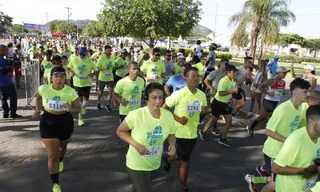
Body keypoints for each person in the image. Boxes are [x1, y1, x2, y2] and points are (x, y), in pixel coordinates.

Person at [245, 78, 311, 192]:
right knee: (275, 183)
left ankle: (254, 180)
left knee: (281, 178)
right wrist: (288, 141)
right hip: (274, 152)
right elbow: (268, 131)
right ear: (294, 92)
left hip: (287, 151)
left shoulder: (301, 107)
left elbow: (301, 126)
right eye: (305, 91)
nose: (308, 94)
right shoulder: (283, 110)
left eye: (309, 91)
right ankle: (256, 180)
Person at [116, 83, 176, 192]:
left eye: (160, 98)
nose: (158, 101)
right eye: (154, 98)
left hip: (154, 163)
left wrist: (172, 144)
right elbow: (120, 131)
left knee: (139, 187)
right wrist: (137, 145)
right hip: (137, 164)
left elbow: (171, 133)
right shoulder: (136, 115)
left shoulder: (168, 116)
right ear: (146, 98)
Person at [32, 66, 80, 192]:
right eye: (56, 76)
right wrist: (37, 110)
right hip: (48, 121)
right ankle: (56, 184)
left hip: (65, 122)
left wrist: (70, 108)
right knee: (52, 155)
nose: (59, 79)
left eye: (62, 76)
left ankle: (61, 160)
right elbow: (38, 97)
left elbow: (78, 109)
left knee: (62, 148)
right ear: (51, 78)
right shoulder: (44, 88)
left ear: (65, 78)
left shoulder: (70, 92)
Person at [163, 67, 208, 191]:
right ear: (186, 78)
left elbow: (203, 110)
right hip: (179, 133)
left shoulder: (202, 95)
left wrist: (205, 111)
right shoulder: (179, 93)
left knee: (185, 160)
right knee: (184, 159)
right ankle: (183, 185)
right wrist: (178, 119)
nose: (196, 79)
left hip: (192, 133)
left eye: (197, 76)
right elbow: (164, 108)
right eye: (192, 76)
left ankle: (168, 159)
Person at [271, 105, 320, 192]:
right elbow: (276, 168)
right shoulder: (296, 140)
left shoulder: (318, 137)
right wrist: (303, 171)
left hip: (308, 187)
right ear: (312, 122)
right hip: (289, 188)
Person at [198, 65, 238, 146]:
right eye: (234, 72)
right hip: (218, 103)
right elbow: (220, 93)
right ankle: (203, 131)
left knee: (229, 121)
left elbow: (228, 92)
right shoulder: (224, 81)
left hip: (225, 104)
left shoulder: (231, 80)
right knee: (213, 120)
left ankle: (223, 139)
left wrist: (231, 98)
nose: (235, 74)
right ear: (228, 72)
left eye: (236, 73)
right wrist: (232, 91)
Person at [247, 66, 290, 136]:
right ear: (278, 73)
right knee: (274, 116)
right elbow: (261, 86)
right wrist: (268, 93)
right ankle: (273, 133)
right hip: (268, 101)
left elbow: (280, 90)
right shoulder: (272, 80)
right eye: (284, 73)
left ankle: (251, 127)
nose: (285, 75)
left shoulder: (283, 82)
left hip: (275, 102)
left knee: (263, 117)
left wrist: (284, 92)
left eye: (286, 73)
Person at [67, 47, 98, 126]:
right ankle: (80, 119)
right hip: (77, 83)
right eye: (80, 54)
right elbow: (68, 68)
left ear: (86, 54)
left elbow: (96, 70)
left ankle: (82, 107)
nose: (81, 55)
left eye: (83, 54)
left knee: (86, 101)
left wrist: (93, 74)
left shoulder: (89, 61)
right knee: (80, 102)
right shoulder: (74, 60)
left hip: (87, 83)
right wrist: (70, 72)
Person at [0, 45, 22, 118]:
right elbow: (2, 71)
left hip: (2, 82)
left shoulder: (3, 59)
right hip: (5, 82)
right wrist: (11, 68)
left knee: (3, 97)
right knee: (13, 97)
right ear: (1, 51)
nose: (7, 51)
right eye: (6, 50)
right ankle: (12, 112)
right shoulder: (1, 60)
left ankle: (5, 113)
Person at [95, 45, 115, 111]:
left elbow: (113, 66)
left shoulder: (112, 58)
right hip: (102, 78)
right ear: (105, 51)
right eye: (108, 51)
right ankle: (98, 102)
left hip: (110, 78)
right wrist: (104, 68)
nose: (109, 52)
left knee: (111, 93)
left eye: (110, 51)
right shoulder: (102, 58)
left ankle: (108, 105)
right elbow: (96, 68)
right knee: (100, 92)